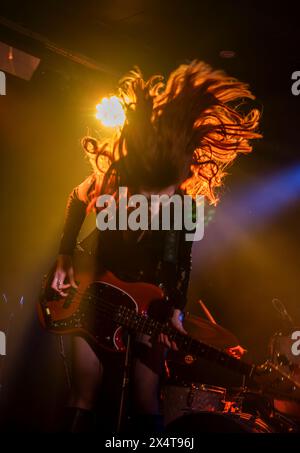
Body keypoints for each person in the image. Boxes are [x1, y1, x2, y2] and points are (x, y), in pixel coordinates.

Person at [51, 60, 261, 432]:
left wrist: (174, 313)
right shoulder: (115, 177)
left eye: (164, 196)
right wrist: (65, 255)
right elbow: (75, 197)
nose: (155, 205)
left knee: (145, 397)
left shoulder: (183, 204)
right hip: (92, 291)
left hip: (148, 301)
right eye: (150, 197)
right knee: (84, 391)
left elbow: (182, 263)